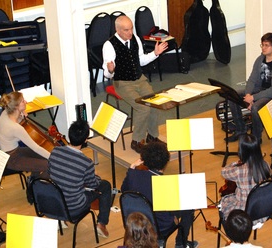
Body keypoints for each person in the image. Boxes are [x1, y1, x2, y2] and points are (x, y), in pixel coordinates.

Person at [102, 15, 168, 153]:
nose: (130, 32)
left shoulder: (135, 39)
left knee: (154, 102)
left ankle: (152, 136)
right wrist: (110, 70)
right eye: (126, 30)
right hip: (123, 83)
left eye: (131, 28)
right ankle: (137, 140)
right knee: (142, 107)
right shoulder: (109, 45)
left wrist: (155, 54)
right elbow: (107, 74)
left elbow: (141, 61)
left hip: (139, 79)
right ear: (118, 30)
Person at [121, 142, 198, 248]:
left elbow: (124, 191)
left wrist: (132, 167)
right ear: (166, 162)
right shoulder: (165, 183)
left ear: (144, 160)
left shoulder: (133, 174)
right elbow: (170, 211)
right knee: (189, 208)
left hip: (135, 223)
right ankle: (180, 243)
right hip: (160, 227)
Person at [48, 120, 112, 238]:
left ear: (69, 135)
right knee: (106, 186)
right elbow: (93, 185)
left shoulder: (55, 151)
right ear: (85, 140)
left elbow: (52, 173)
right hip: (74, 207)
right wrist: (96, 178)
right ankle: (101, 224)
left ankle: (60, 219)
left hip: (56, 203)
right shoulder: (86, 162)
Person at [226, 33, 272, 143]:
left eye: (266, 45)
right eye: (262, 45)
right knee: (232, 96)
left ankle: (256, 137)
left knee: (256, 107)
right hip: (260, 90)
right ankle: (241, 130)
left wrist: (253, 98)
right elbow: (252, 79)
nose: (263, 48)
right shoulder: (260, 59)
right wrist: (248, 95)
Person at [0, 91, 49, 179]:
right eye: (22, 101)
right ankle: (37, 186)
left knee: (42, 157)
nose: (26, 102)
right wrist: (54, 158)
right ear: (16, 107)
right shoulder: (15, 128)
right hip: (12, 159)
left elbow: (15, 115)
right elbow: (36, 148)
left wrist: (21, 113)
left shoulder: (5, 113)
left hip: (12, 152)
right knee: (50, 165)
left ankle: (34, 178)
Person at [220, 134, 271, 221]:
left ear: (241, 151)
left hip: (245, 211)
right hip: (262, 208)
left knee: (222, 204)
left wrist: (237, 163)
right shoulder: (265, 164)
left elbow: (223, 172)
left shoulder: (238, 170)